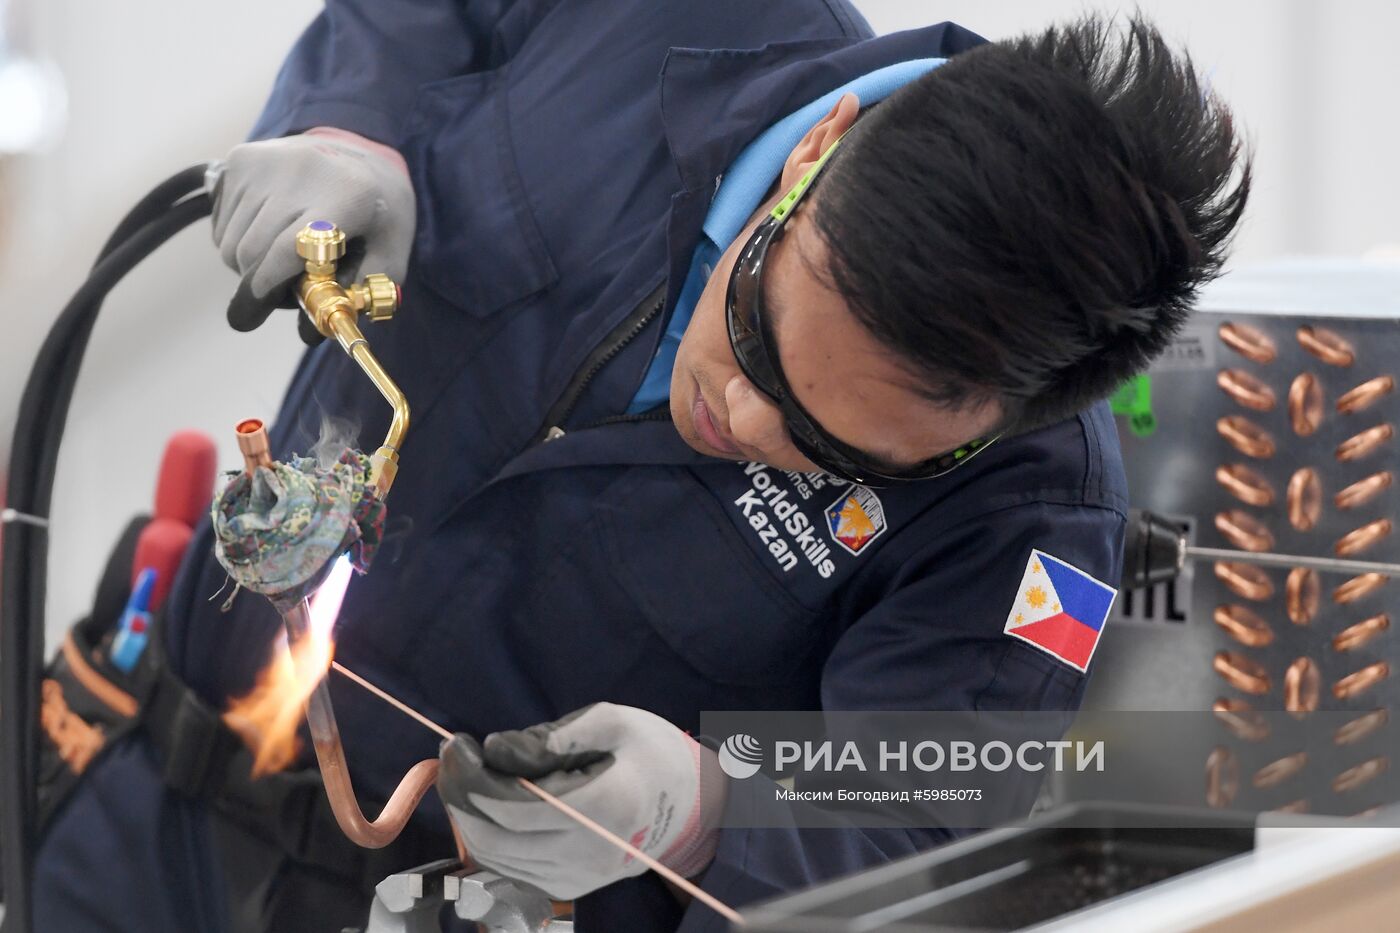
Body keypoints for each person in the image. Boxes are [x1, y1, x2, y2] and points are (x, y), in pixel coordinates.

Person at [31, 2, 1248, 931]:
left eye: (830, 450)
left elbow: (919, 806)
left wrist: (718, 804)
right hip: (138, 799)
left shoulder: (1026, 516)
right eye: (760, 336)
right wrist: (349, 123)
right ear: (816, 152)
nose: (739, 419)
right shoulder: (683, 23)